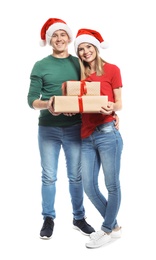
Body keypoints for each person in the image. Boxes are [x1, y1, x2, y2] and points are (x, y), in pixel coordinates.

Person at [27, 18, 96, 239]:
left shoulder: (79, 63)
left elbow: (90, 93)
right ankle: (48, 218)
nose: (59, 39)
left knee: (76, 177)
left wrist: (110, 113)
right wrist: (48, 105)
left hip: (75, 127)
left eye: (62, 34)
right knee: (48, 176)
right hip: (48, 127)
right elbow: (31, 100)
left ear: (68, 38)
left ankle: (79, 217)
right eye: (54, 35)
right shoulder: (40, 65)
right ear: (50, 40)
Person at [74, 28, 124, 248]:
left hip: (107, 134)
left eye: (88, 47)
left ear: (95, 47)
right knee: (89, 186)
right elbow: (77, 105)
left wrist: (111, 109)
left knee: (111, 184)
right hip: (86, 136)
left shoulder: (112, 70)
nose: (85, 52)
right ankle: (113, 226)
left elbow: (119, 103)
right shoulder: (80, 77)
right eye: (81, 49)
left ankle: (105, 230)